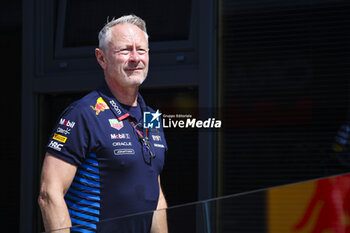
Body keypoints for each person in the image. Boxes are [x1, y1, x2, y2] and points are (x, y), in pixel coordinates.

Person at [38, 15, 168, 233]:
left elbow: (155, 196)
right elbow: (49, 193)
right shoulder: (82, 114)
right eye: (125, 50)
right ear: (102, 58)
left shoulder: (151, 117)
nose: (135, 58)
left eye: (142, 50)